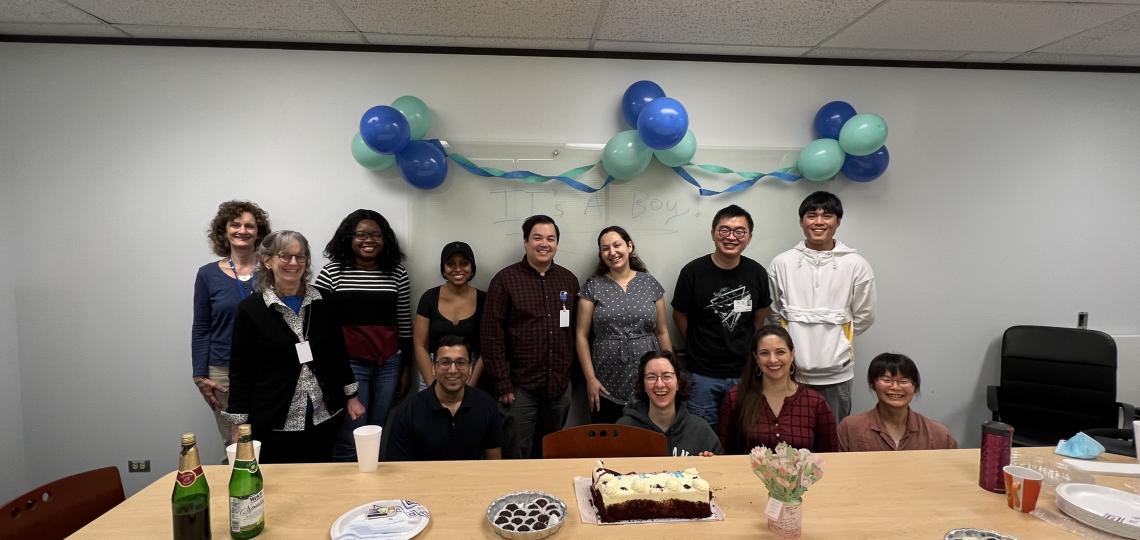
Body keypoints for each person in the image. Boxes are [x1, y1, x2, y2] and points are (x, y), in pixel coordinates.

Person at [224, 231, 364, 463]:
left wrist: (352, 396)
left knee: (320, 480)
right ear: (268, 261)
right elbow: (241, 369)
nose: (293, 263)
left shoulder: (324, 301)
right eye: (285, 256)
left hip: (324, 417)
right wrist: (239, 422)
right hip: (273, 420)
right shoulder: (250, 309)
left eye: (300, 257)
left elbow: (337, 353)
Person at [768, 191, 876, 423]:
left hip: (837, 375)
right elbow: (774, 313)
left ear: (838, 221)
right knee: (791, 437)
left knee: (832, 440)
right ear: (801, 221)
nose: (818, 222)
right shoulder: (782, 263)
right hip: (791, 374)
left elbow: (864, 316)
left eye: (827, 215)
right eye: (811, 215)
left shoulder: (856, 264)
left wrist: (838, 344)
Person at [315, 209, 413, 461]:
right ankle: (347, 490)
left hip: (389, 363)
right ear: (348, 237)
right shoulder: (332, 272)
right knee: (352, 433)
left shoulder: (397, 273)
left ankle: (373, 489)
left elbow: (403, 321)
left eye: (375, 234)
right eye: (360, 234)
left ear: (385, 238)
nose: (368, 240)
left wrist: (406, 366)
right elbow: (317, 325)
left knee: (377, 430)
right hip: (349, 366)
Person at [481, 215, 579, 458]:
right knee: (517, 455)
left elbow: (577, 332)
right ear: (525, 242)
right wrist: (503, 384)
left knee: (549, 454)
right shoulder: (505, 280)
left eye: (550, 238)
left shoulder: (569, 280)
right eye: (537, 238)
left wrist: (571, 379)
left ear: (557, 244)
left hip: (558, 387)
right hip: (519, 388)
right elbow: (491, 336)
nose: (544, 243)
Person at [672, 205, 771, 430]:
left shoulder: (757, 273)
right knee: (703, 435)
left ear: (749, 237)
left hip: (745, 373)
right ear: (713, 233)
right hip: (703, 374)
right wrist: (698, 342)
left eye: (739, 231)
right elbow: (679, 315)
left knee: (745, 432)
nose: (731, 237)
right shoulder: (693, 272)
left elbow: (760, 315)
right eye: (724, 230)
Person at [191, 200, 271, 448]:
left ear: (259, 232)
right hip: (222, 371)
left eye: (250, 225)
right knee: (236, 442)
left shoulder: (272, 271)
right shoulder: (207, 274)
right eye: (235, 224)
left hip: (267, 368)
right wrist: (199, 375)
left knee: (269, 437)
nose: (242, 230)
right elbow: (201, 326)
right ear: (223, 230)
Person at [576, 226, 674, 423]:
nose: (612, 252)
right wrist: (590, 379)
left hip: (649, 377)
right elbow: (581, 336)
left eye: (617, 245)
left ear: (629, 246)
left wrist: (672, 373)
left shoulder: (650, 283)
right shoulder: (592, 287)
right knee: (609, 440)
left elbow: (662, 332)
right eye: (605, 248)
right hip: (605, 379)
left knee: (649, 438)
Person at [718, 326, 838, 454]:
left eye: (780, 352)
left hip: (801, 475)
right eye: (764, 353)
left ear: (792, 355)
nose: (773, 360)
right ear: (756, 358)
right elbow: (724, 454)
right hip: (747, 474)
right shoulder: (735, 398)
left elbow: (830, 457)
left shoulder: (815, 403)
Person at [384, 335, 503, 461]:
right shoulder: (408, 411)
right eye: (445, 362)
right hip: (423, 480)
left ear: (470, 369)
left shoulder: (486, 405)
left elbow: (494, 464)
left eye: (461, 362)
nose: (452, 370)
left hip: (470, 479)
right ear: (433, 368)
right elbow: (398, 467)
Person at [838, 353, 958, 451]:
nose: (895, 387)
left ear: (915, 388)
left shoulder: (938, 434)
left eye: (904, 381)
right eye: (887, 380)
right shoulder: (850, 428)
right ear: (872, 384)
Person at [413, 242, 487, 394]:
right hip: (434, 368)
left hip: (470, 371)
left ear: (472, 267)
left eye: (464, 263)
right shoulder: (429, 298)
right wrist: (432, 385)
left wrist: (470, 386)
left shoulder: (484, 300)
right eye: (450, 264)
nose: (458, 269)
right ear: (443, 269)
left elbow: (487, 348)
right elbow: (420, 345)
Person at [617, 351, 722, 456]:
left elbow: (721, 468)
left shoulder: (700, 430)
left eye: (667, 376)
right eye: (651, 377)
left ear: (678, 383)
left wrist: (709, 463)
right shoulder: (625, 428)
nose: (660, 384)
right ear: (643, 385)